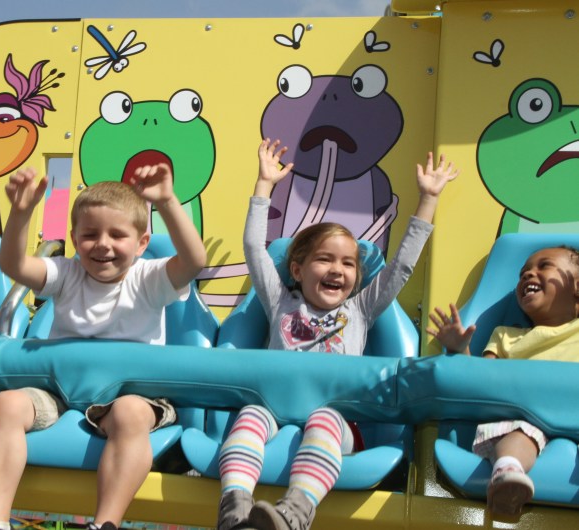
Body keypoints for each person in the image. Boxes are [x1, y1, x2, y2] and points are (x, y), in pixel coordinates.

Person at [216, 139, 459, 530]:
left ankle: (294, 514)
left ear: (357, 276)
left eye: (348, 263)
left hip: (335, 419)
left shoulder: (360, 309)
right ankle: (234, 510)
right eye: (324, 259)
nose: (337, 269)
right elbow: (253, 248)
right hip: (273, 410)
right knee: (249, 416)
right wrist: (264, 185)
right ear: (297, 270)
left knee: (325, 419)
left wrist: (428, 199)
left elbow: (401, 267)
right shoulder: (279, 300)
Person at [0, 164, 206, 530]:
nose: (103, 243)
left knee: (131, 413)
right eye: (90, 234)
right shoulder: (66, 274)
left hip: (128, 395)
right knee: (6, 404)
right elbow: (14, 264)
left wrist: (166, 201)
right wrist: (21, 213)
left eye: (117, 234)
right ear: (74, 238)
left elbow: (194, 261)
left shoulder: (149, 279)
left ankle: (105, 524)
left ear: (141, 243)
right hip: (60, 392)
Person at [428, 245, 579, 517]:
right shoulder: (505, 337)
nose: (528, 275)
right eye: (523, 273)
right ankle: (507, 475)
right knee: (519, 433)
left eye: (544, 266)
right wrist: (459, 350)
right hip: (528, 421)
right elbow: (482, 383)